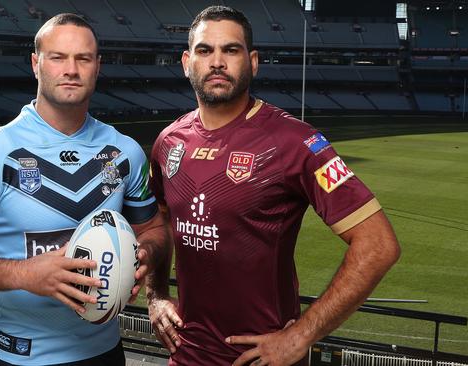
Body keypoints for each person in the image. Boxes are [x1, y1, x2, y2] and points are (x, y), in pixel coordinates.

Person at [145, 6, 401, 366]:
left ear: (253, 61)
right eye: (205, 51)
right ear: (187, 62)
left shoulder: (297, 141)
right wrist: (156, 295)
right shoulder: (168, 142)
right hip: (185, 355)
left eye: (230, 50)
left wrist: (301, 334)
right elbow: (159, 225)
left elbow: (379, 245)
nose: (217, 62)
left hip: (261, 359)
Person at [0, 13, 168, 366]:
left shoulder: (124, 152)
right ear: (36, 64)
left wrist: (143, 254)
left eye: (83, 58)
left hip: (106, 355)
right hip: (21, 357)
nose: (71, 69)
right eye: (58, 57)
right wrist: (24, 273)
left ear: (97, 66)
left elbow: (155, 230)